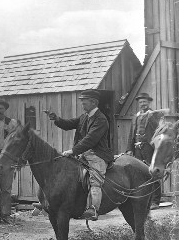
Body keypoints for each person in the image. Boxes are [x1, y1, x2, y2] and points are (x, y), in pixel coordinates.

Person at [47, 89, 114, 221]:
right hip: (83, 153)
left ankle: (93, 209)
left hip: (97, 155)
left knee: (95, 180)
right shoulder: (84, 116)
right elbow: (69, 124)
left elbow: (90, 139)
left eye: (84, 103)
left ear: (94, 102)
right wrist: (57, 119)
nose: (82, 105)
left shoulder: (101, 119)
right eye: (82, 102)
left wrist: (73, 151)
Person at [126, 92, 164, 210]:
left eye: (145, 102)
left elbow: (159, 132)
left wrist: (152, 116)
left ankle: (155, 201)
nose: (143, 104)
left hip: (149, 148)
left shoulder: (154, 115)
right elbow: (131, 134)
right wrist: (129, 149)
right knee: (139, 173)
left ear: (149, 103)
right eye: (141, 102)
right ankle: (142, 199)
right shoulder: (135, 116)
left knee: (153, 173)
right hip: (137, 149)